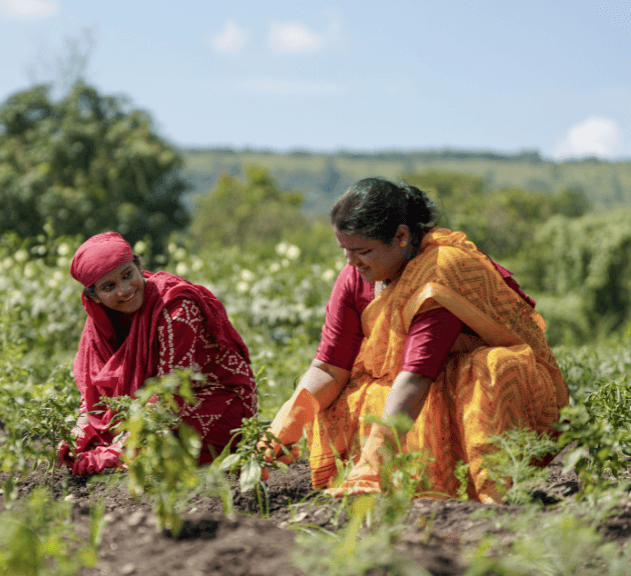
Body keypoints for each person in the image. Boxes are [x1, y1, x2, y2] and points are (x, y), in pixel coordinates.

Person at [261, 178, 569, 502]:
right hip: (411, 386)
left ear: (402, 237)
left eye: (363, 251)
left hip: (455, 386)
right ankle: (373, 485)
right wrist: (281, 430)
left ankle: (481, 492)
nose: (351, 263)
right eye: (345, 251)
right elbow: (329, 367)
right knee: (343, 399)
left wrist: (373, 463)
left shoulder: (440, 272)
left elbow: (417, 376)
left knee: (493, 368)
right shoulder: (355, 276)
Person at [57, 232, 258, 476]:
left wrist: (114, 452)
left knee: (150, 461)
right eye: (109, 287)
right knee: (91, 450)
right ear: (94, 296)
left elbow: (170, 396)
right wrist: (78, 435)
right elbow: (94, 395)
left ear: (139, 267)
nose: (124, 291)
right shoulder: (99, 324)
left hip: (211, 399)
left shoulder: (176, 310)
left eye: (128, 275)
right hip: (148, 409)